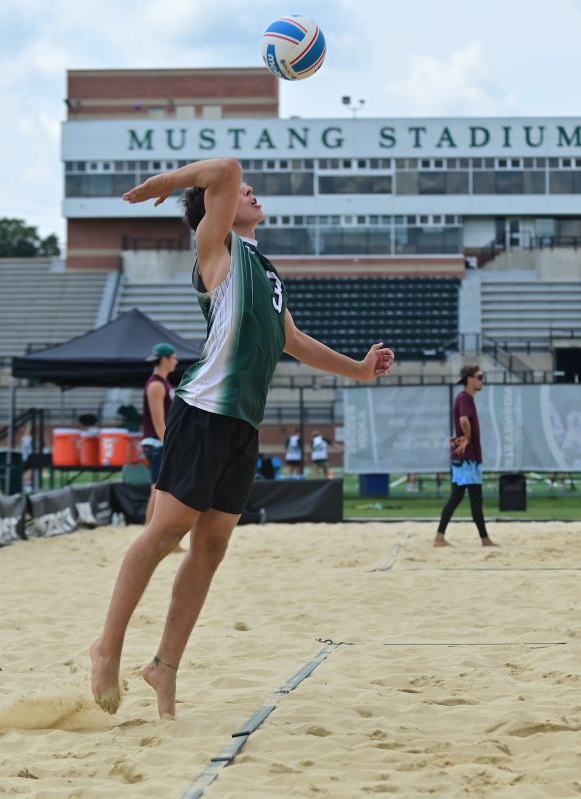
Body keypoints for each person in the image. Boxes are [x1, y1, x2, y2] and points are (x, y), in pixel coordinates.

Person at [91, 157, 395, 719]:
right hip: (204, 410)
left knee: (211, 548)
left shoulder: (267, 270)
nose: (249, 191)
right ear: (216, 209)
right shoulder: (217, 248)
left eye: (251, 191)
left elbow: (292, 340)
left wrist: (358, 368)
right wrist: (166, 184)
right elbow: (226, 170)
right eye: (241, 193)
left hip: (242, 425)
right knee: (166, 534)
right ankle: (106, 648)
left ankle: (163, 667)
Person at [434, 365, 498, 548]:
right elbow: (463, 420)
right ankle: (484, 539)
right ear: (470, 379)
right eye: (480, 376)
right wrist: (467, 437)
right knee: (474, 499)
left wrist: (462, 436)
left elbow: (462, 421)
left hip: (465, 457)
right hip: (467, 458)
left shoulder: (465, 398)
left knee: (457, 497)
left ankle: (440, 537)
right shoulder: (465, 398)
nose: (482, 380)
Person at [141, 342, 179, 527]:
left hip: (159, 443)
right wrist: (171, 446)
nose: (176, 361)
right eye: (173, 357)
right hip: (157, 444)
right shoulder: (156, 384)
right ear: (164, 359)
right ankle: (150, 535)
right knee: (157, 491)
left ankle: (155, 535)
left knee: (162, 491)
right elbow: (158, 423)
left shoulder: (162, 383)